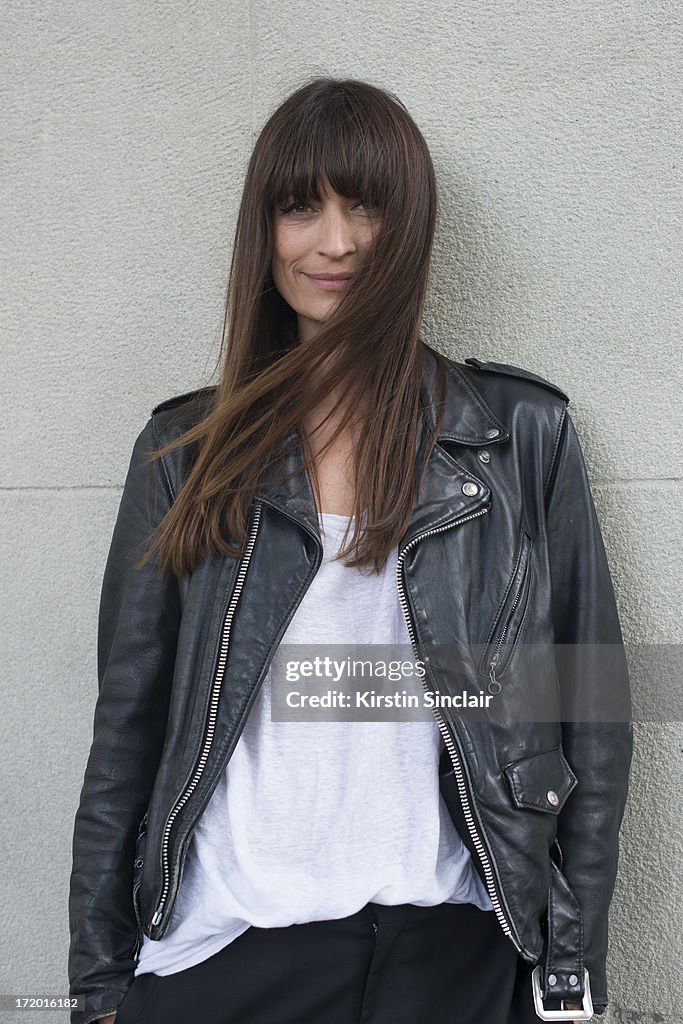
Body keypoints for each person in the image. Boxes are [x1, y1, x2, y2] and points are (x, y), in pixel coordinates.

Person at [68, 77, 632, 1024]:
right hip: (227, 956)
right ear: (265, 233)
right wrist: (96, 987)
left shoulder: (517, 438)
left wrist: (567, 973)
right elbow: (126, 734)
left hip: (458, 955)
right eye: (300, 208)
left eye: (365, 205)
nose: (334, 243)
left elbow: (590, 716)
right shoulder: (184, 456)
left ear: (409, 227)